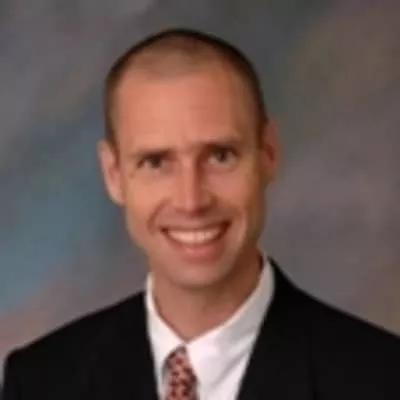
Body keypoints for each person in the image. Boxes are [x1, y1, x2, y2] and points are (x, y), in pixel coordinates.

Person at [2, 28, 400, 400]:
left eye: (220, 156)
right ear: (113, 174)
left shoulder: (382, 379)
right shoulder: (41, 382)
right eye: (156, 162)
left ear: (268, 154)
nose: (190, 200)